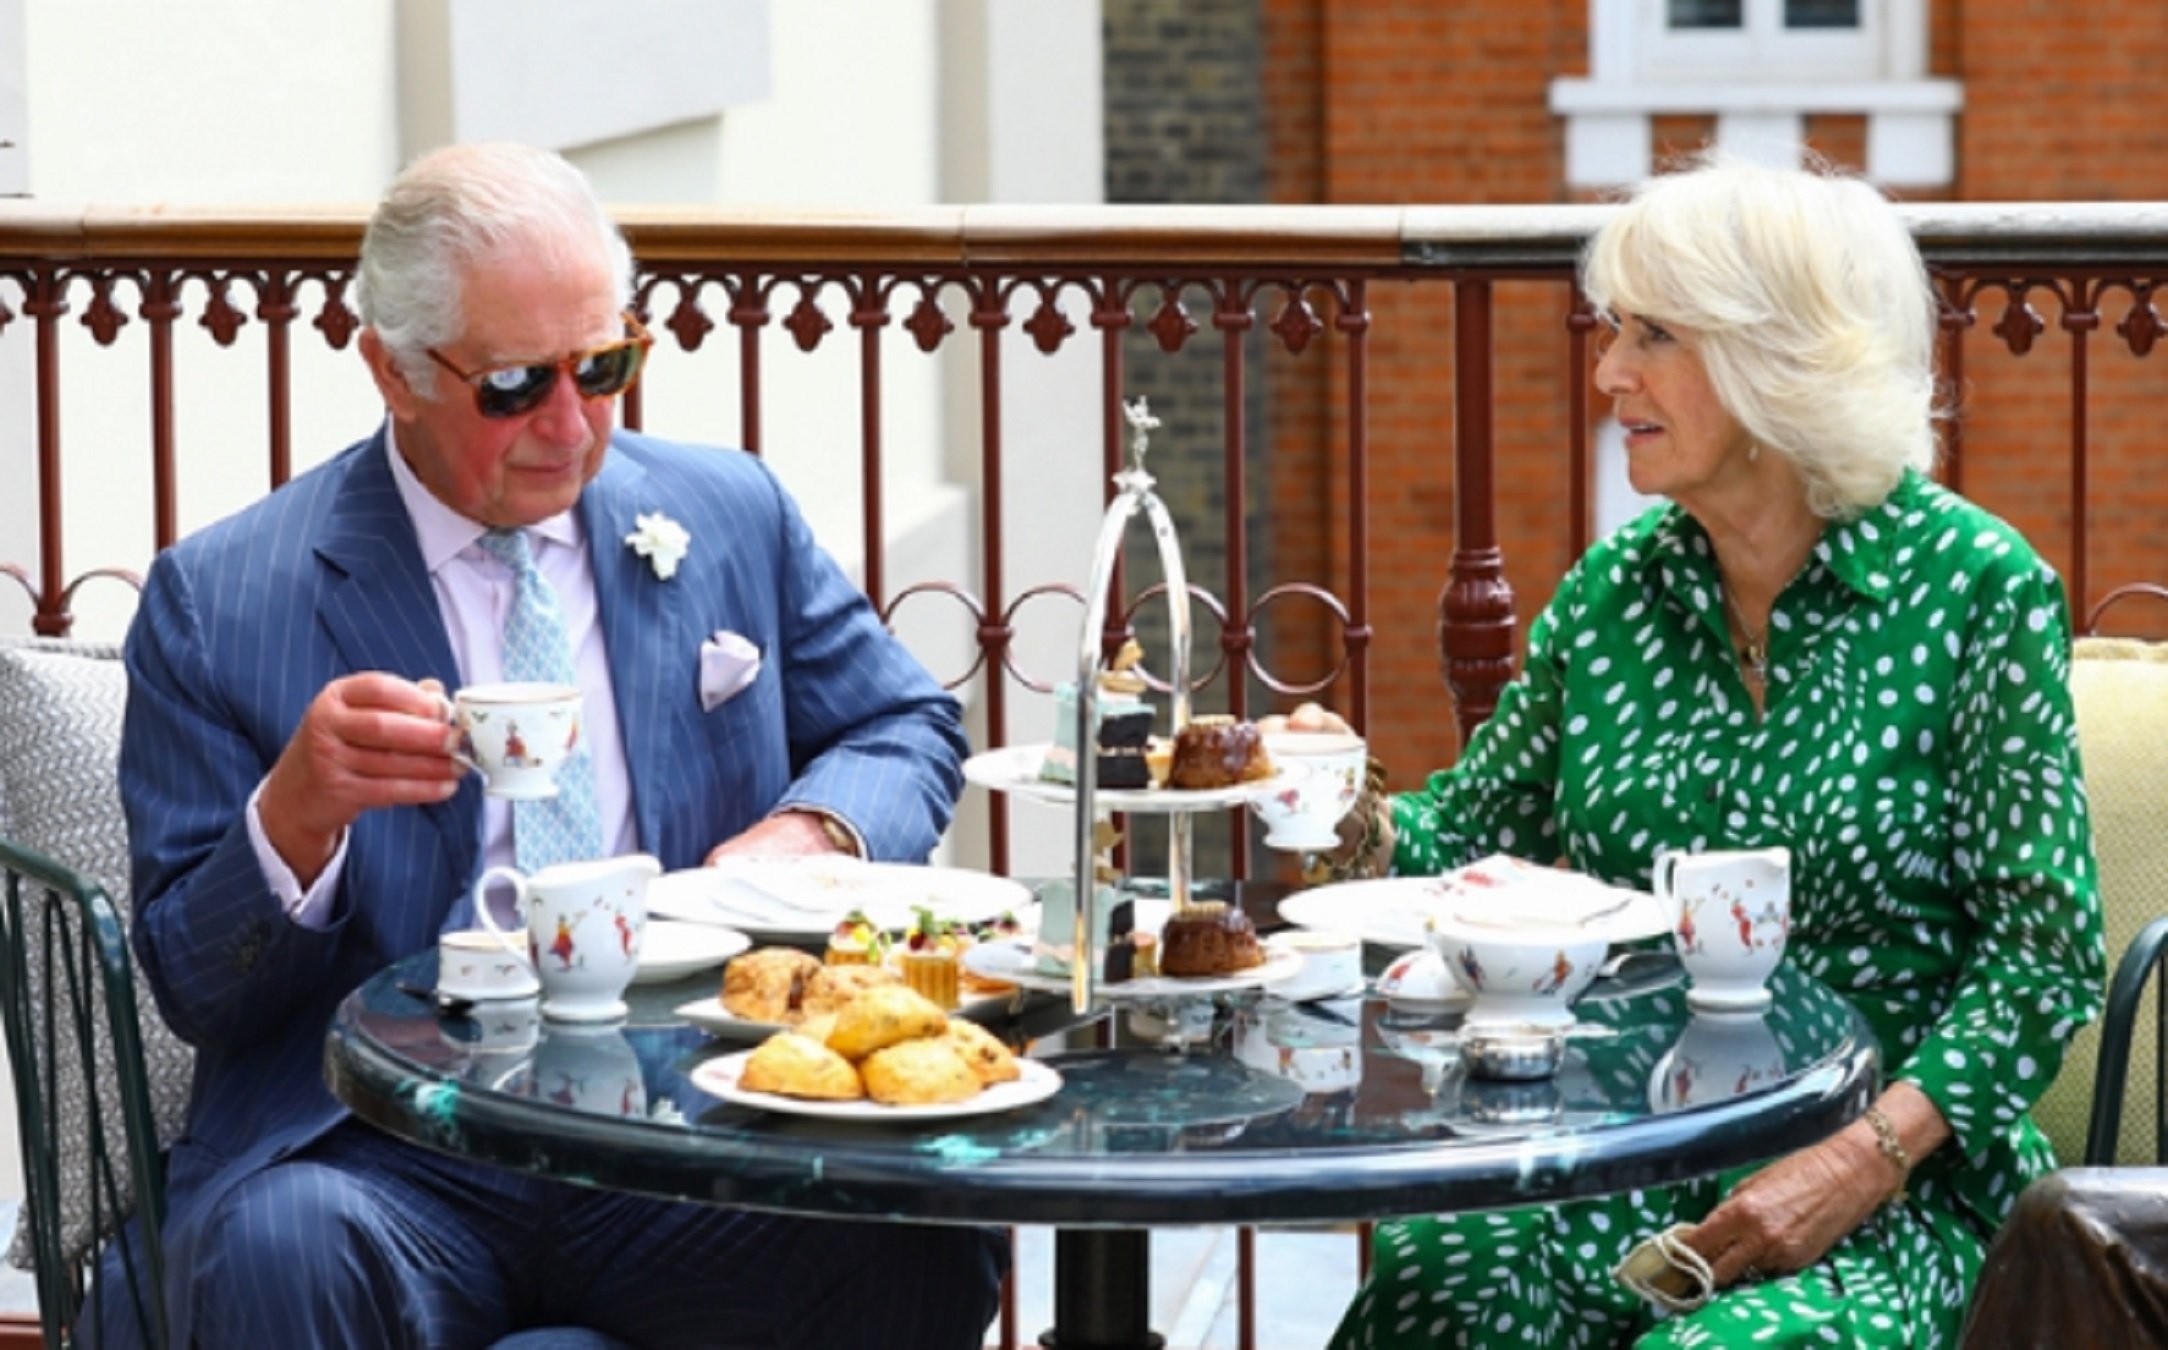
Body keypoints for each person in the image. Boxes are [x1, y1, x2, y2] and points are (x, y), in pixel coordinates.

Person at [113, 142, 1001, 1349]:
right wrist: (296, 817)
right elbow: (192, 986)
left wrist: (807, 835)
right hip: (387, 1152)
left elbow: (902, 722)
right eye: (517, 384)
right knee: (281, 1250)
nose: (572, 426)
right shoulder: (223, 601)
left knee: (917, 1227)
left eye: (606, 366)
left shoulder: (727, 512)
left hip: (685, 1135)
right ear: (393, 370)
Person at [1295, 153, 2106, 1348]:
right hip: (1622, 1147)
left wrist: (1857, 1159)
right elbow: (1470, 835)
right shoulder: (1611, 593)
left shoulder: (1974, 589)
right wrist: (1335, 800)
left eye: (1654, 335)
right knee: (1435, 1290)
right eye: (1615, 329)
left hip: (1890, 1186)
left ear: (1779, 359)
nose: (1606, 370)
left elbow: (2042, 956)